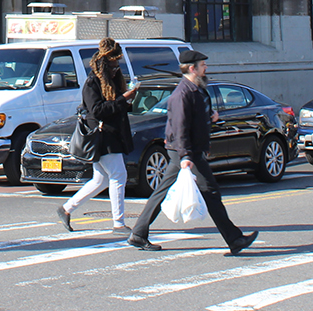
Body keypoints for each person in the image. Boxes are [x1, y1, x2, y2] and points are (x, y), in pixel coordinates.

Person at [126, 49, 257, 256]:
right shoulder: (182, 94)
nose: (206, 68)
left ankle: (139, 233)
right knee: (211, 193)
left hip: (187, 151)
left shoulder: (196, 89)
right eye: (203, 65)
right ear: (191, 68)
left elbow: (194, 117)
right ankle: (234, 239)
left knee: (163, 191)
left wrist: (210, 116)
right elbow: (180, 127)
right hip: (186, 152)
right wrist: (186, 156)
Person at [58, 38, 136, 235]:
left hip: (112, 134)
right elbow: (97, 110)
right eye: (112, 66)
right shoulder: (92, 83)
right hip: (102, 137)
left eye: (117, 66)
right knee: (119, 175)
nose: (116, 69)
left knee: (100, 180)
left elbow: (116, 106)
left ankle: (67, 209)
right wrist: (122, 100)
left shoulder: (113, 81)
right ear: (103, 65)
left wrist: (128, 99)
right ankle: (118, 224)